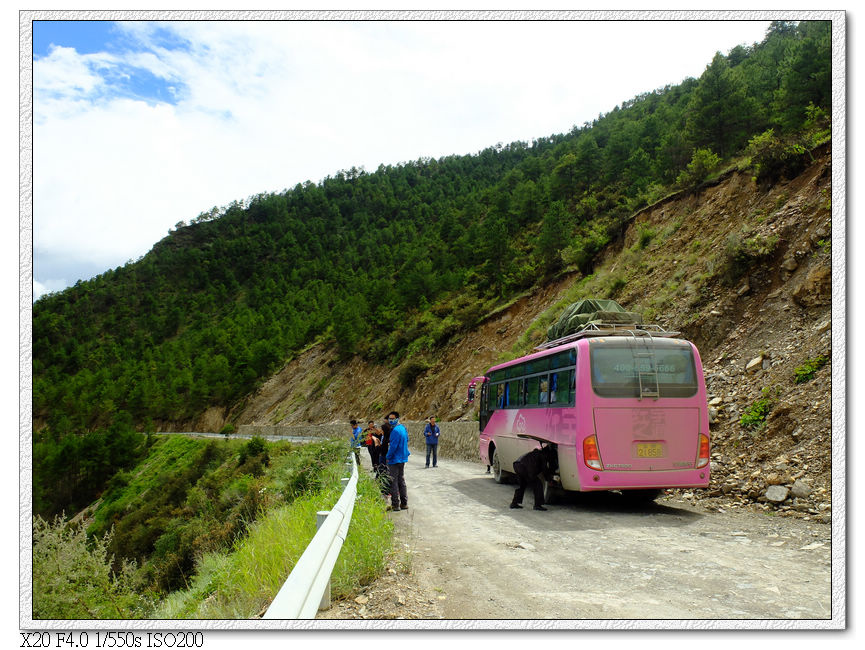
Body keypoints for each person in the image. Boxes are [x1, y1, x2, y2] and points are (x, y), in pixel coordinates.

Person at [510, 444, 558, 511]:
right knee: (538, 484)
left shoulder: (537, 453)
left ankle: (514, 503)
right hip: (525, 467)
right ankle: (537, 505)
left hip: (517, 464)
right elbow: (544, 470)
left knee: (522, 485)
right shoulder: (543, 456)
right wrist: (549, 479)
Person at [385, 411, 410, 511]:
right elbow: (407, 439)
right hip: (402, 458)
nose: (391, 420)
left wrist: (388, 456)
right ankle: (404, 503)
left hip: (395, 459)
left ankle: (395, 504)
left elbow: (393, 446)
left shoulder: (395, 431)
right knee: (401, 480)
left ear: (397, 418)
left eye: (392, 418)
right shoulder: (402, 428)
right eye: (389, 418)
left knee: (393, 482)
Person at [376, 419, 392, 500]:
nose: (380, 431)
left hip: (385, 459)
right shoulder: (384, 437)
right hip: (383, 458)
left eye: (382, 429)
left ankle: (386, 492)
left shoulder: (387, 439)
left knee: (384, 474)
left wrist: (378, 445)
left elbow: (383, 450)